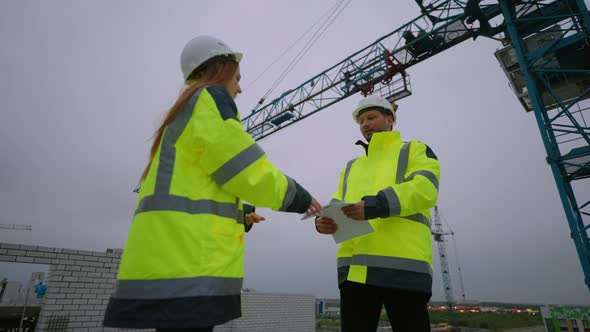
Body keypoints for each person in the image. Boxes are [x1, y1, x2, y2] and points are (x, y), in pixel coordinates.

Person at [103, 35, 322, 332]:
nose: (240, 88)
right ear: (220, 69)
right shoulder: (210, 99)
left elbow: (195, 189)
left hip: (172, 261)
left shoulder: (186, 111)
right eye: (238, 77)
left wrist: (239, 215)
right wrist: (298, 196)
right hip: (189, 267)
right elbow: (244, 169)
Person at [315, 95, 440, 332]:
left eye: (371, 117)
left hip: (403, 270)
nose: (365, 123)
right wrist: (322, 222)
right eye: (361, 120)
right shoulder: (351, 167)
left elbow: (425, 189)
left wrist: (375, 206)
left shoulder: (414, 150)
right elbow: (337, 204)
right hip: (355, 273)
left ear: (390, 119)